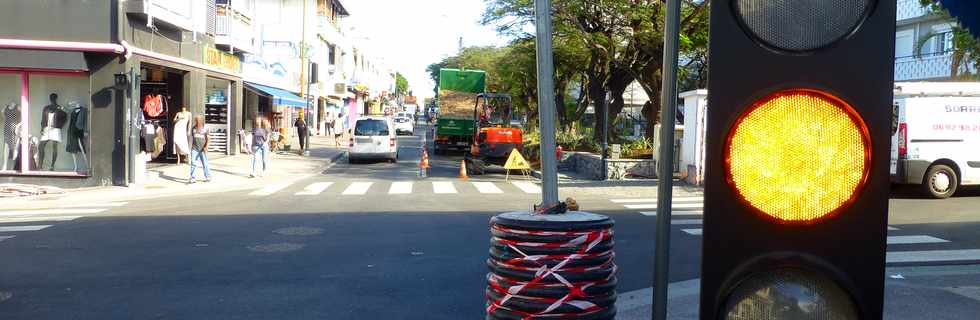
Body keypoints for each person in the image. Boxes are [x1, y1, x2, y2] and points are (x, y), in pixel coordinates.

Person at [188, 115, 211, 184]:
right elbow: (193, 138)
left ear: (201, 120)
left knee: (205, 163)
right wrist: (192, 147)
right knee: (193, 163)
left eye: (198, 120)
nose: (197, 121)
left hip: (202, 149)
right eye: (196, 120)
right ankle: (193, 177)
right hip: (194, 149)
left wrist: (206, 147)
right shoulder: (193, 128)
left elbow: (208, 139)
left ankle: (208, 176)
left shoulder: (205, 128)